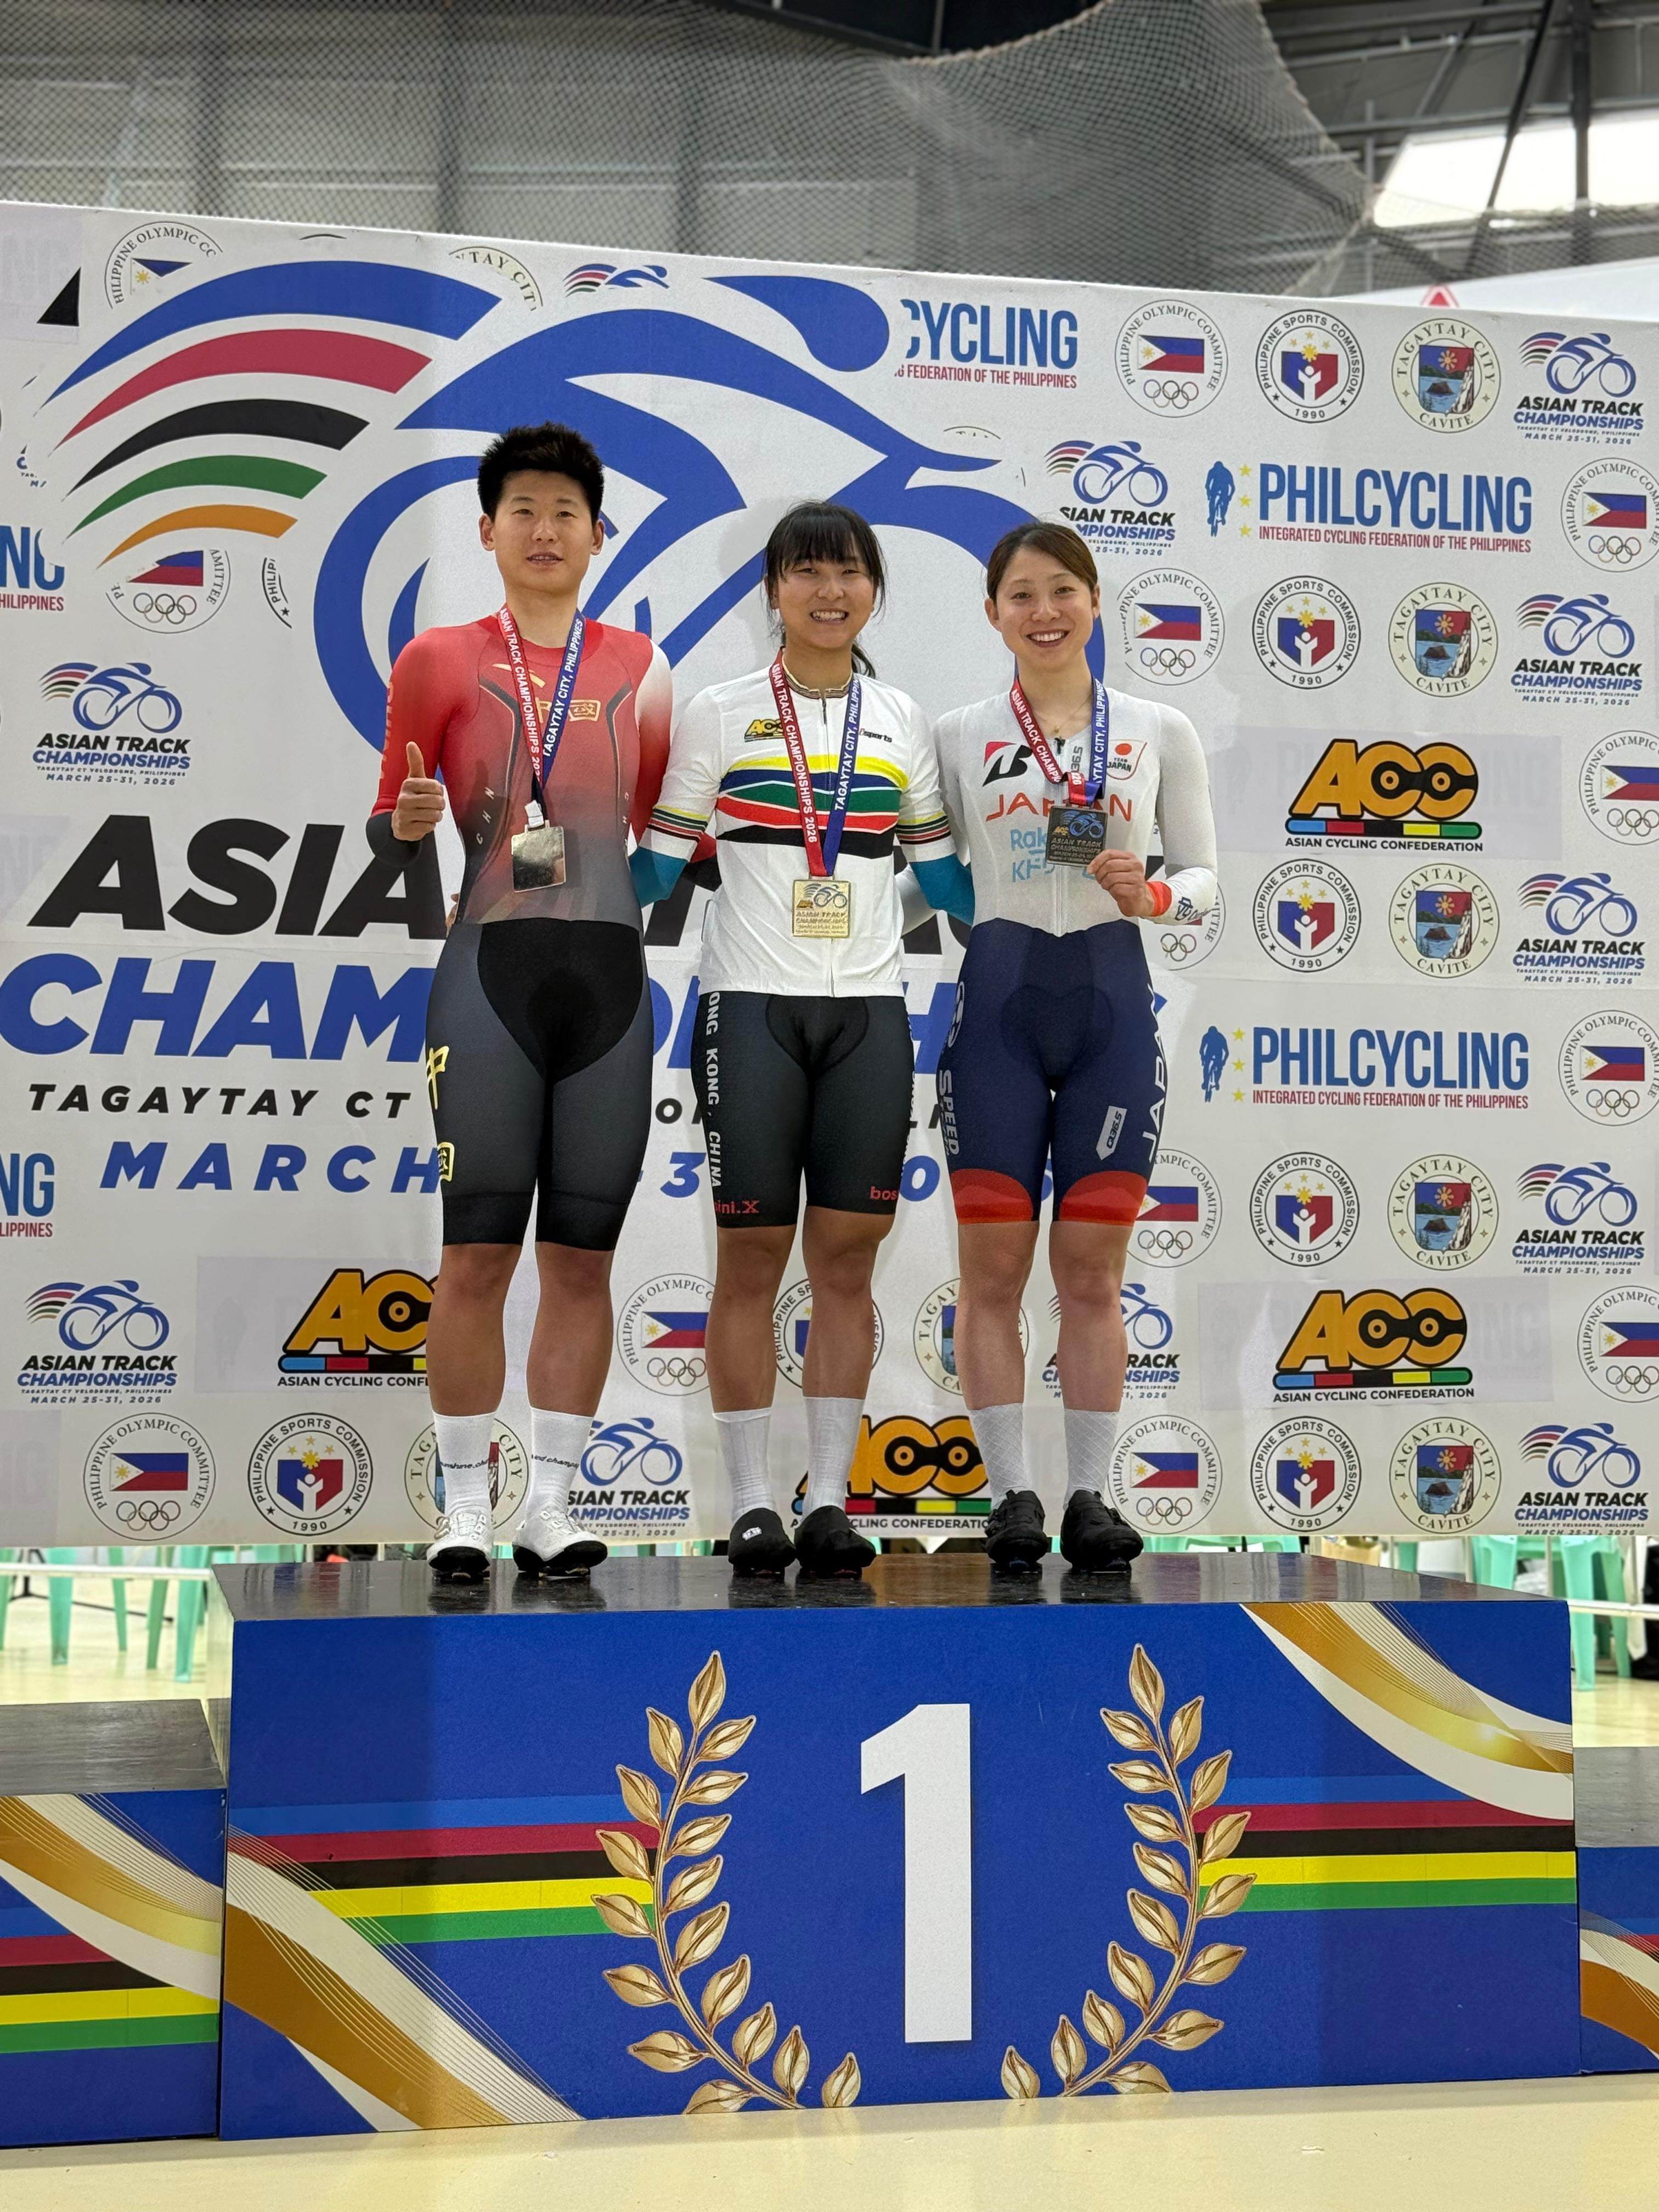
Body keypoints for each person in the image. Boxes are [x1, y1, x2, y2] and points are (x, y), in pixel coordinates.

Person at [631, 503, 969, 1578]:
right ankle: (745, 1505)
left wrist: (1056, 865)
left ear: (874, 590)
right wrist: (532, 874)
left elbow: (943, 878)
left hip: (870, 1012)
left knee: (847, 1264)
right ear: (774, 590)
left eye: (850, 574)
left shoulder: (903, 718)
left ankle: (827, 1500)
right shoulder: (719, 714)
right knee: (748, 1261)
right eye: (808, 573)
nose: (831, 592)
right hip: (750, 1009)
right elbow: (652, 869)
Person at [368, 422, 672, 1583]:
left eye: (568, 513)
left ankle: (550, 1504)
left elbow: (660, 835)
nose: (547, 532)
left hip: (608, 981)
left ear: (601, 535)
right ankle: (460, 1508)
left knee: (584, 1261)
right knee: (474, 1260)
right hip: (485, 979)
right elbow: (392, 824)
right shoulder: (437, 661)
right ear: (488, 530)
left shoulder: (641, 667)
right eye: (524, 511)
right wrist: (399, 830)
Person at [932, 522, 1216, 1572]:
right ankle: (1012, 1494)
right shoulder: (961, 732)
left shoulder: (1157, 728)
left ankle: (1092, 1494)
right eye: (1020, 595)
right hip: (999, 1004)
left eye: (1063, 591)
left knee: (1093, 1272)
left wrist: (1157, 893)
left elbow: (1207, 878)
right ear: (994, 612)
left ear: (1097, 602)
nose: (1043, 611)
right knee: (993, 1270)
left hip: (1111, 1003)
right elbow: (936, 870)